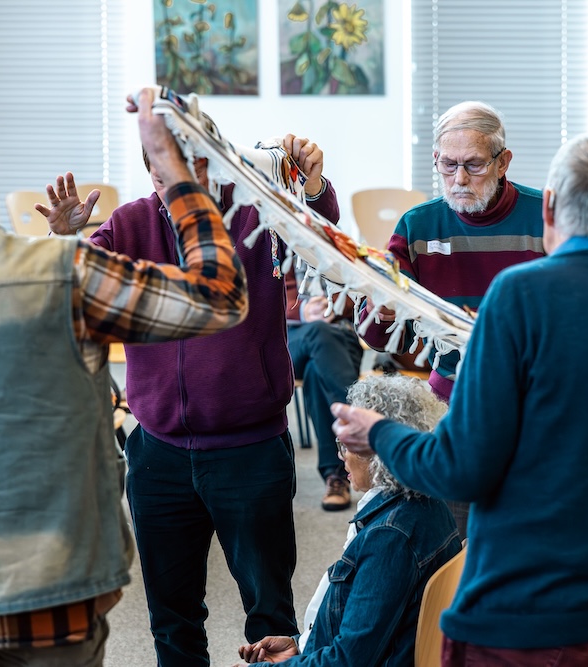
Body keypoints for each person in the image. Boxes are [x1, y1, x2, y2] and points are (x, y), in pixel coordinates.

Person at [334, 133, 588, 667]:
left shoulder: (517, 298)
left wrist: (378, 432)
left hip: (520, 627)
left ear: (548, 205)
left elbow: (460, 470)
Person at [0, 89, 248, 666]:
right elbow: (218, 296)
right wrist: (180, 178)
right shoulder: (64, 273)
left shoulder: (66, 266)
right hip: (54, 577)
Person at [43, 118, 339, 666]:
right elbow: (74, 285)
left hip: (249, 450)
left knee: (270, 614)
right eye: (159, 178)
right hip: (159, 452)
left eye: (181, 177)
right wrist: (68, 239)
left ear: (209, 165)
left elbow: (321, 238)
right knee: (172, 617)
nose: (170, 192)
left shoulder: (257, 215)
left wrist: (316, 188)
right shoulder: (132, 222)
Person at [234, 374, 462, 667]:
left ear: (377, 452)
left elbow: (349, 661)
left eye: (346, 445)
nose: (340, 457)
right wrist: (300, 645)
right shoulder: (427, 502)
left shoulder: (390, 536)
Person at [359, 100, 546, 404]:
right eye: (448, 164)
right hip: (452, 390)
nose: (459, 179)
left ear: (502, 163)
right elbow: (386, 340)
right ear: (436, 159)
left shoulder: (546, 217)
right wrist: (381, 308)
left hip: (534, 390)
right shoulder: (418, 226)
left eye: (474, 165)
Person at [285, 265, 362, 511]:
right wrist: (303, 312)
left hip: (340, 340)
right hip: (291, 337)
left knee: (317, 372)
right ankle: (361, 425)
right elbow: (256, 299)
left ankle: (335, 475)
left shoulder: (336, 244)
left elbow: (362, 296)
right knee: (318, 332)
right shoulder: (270, 240)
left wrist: (337, 307)